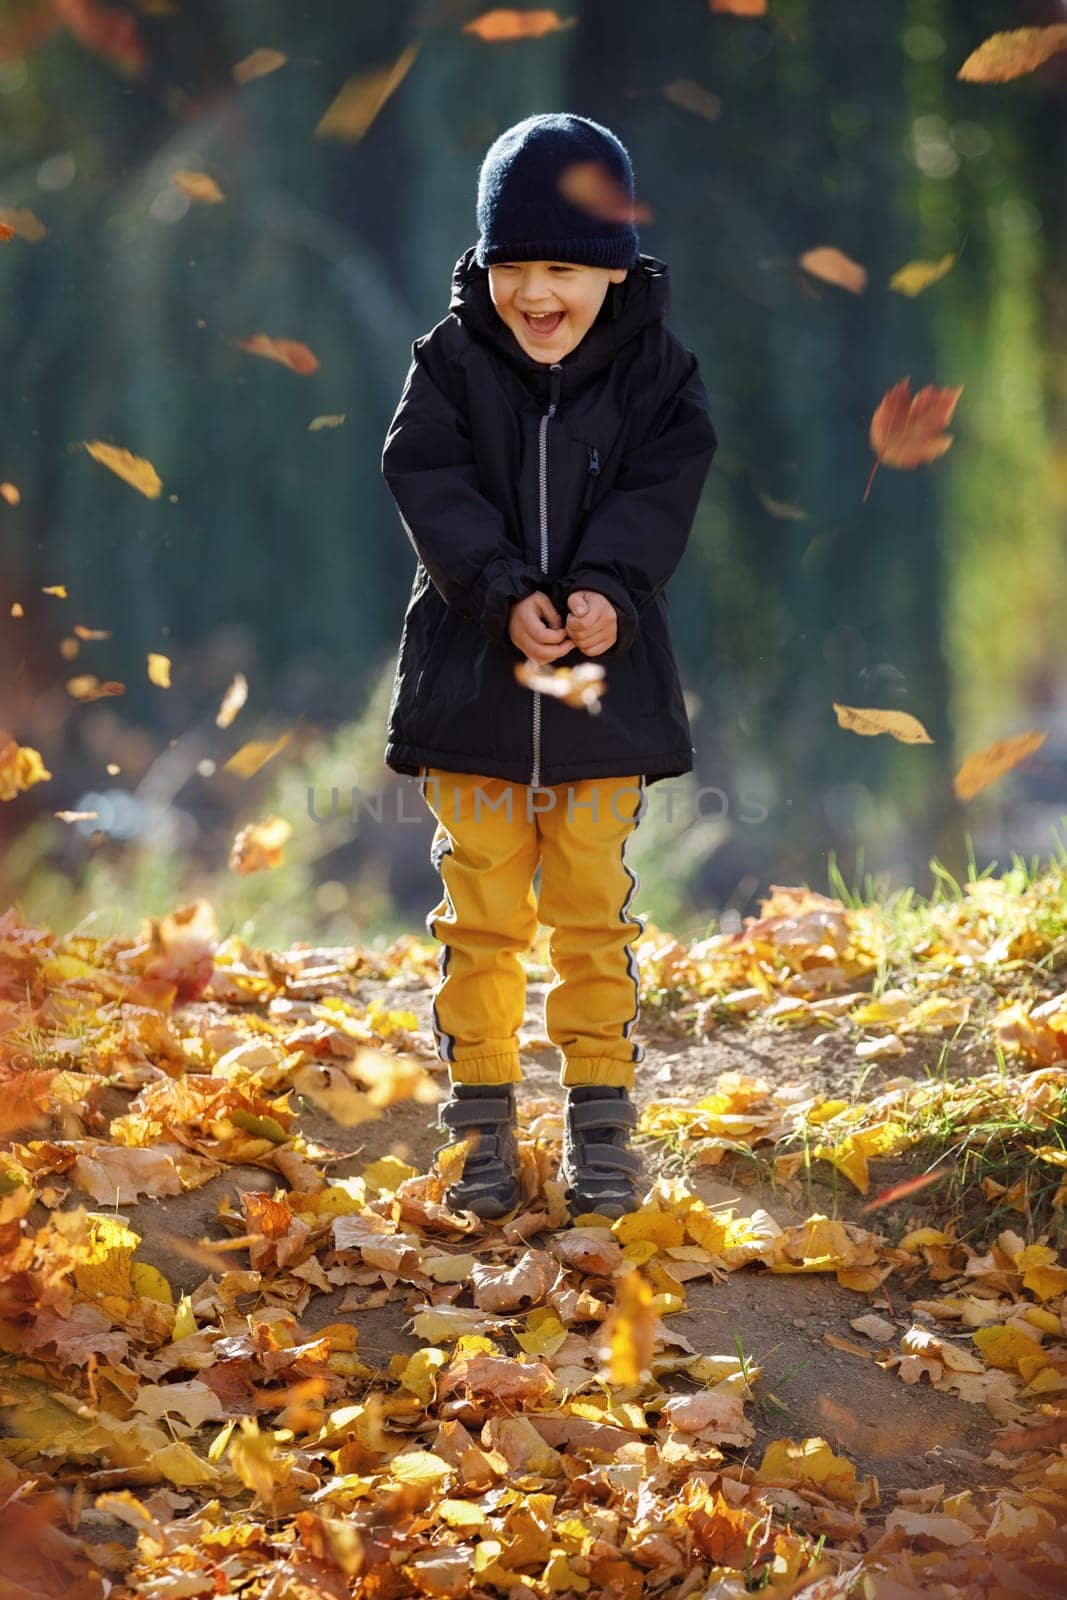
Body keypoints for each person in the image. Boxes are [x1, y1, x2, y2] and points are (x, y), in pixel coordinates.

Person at [380, 113, 718, 1223]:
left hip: (599, 703)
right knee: (478, 913)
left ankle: (602, 1127)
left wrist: (607, 590)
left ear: (611, 273)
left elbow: (661, 487)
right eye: (513, 267)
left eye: (561, 269)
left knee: (590, 914)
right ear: (484, 267)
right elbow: (425, 477)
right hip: (474, 692)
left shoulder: (659, 373)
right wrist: (495, 590)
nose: (535, 294)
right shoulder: (449, 362)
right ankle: (480, 1129)